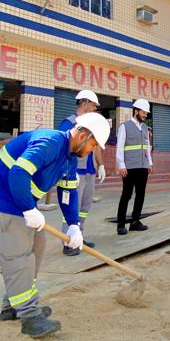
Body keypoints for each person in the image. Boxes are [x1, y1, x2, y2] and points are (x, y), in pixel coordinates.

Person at [0, 113, 111, 338]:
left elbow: (68, 193)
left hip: (18, 202)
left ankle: (11, 305)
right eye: (93, 145)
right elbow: (18, 173)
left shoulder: (69, 158)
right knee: (18, 256)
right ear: (84, 136)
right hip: (0, 200)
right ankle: (29, 316)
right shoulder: (51, 142)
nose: (91, 152)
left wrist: (74, 225)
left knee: (37, 246)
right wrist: (29, 209)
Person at [57, 90, 106, 256]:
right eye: (93, 105)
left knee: (84, 207)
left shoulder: (91, 123)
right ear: (84, 103)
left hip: (89, 170)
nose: (94, 109)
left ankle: (79, 236)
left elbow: (96, 145)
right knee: (71, 208)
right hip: (73, 173)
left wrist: (101, 165)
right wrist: (65, 171)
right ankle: (67, 242)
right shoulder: (69, 123)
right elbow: (61, 149)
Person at [115, 98, 152, 235]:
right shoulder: (124, 127)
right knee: (126, 195)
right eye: (143, 112)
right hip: (129, 168)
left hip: (143, 167)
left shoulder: (145, 128)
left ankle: (135, 222)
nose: (145, 115)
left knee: (140, 195)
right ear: (136, 111)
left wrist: (150, 163)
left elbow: (147, 147)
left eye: (146, 113)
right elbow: (119, 147)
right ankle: (120, 224)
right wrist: (121, 165)